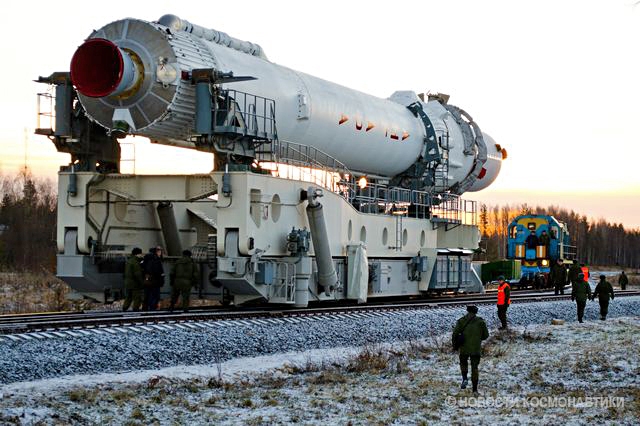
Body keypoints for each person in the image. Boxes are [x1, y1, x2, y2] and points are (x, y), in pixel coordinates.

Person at [452, 305, 489, 393]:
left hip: (464, 348)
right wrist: (477, 338)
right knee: (474, 367)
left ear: (467, 311)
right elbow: (486, 335)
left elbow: (455, 334)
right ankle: (475, 389)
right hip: (476, 349)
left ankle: (465, 378)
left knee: (463, 363)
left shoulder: (461, 321)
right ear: (476, 312)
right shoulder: (480, 322)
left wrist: (455, 346)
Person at [143, 246, 165, 311]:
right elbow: (158, 272)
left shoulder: (146, 259)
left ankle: (146, 308)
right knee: (155, 296)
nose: (160, 252)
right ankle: (152, 309)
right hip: (155, 281)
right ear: (156, 252)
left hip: (147, 280)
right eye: (159, 251)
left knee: (147, 295)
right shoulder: (156, 260)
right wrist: (161, 279)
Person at [123, 247, 144, 311]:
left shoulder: (129, 261)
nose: (141, 255)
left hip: (128, 283)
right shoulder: (135, 262)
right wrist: (142, 283)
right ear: (137, 254)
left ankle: (124, 309)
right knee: (137, 298)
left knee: (128, 297)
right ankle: (135, 310)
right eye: (140, 254)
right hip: (135, 284)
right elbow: (137, 274)